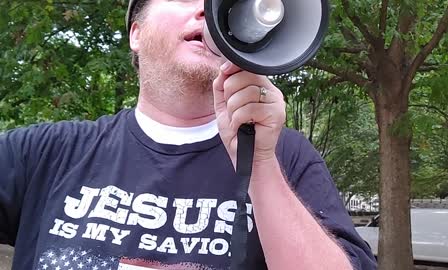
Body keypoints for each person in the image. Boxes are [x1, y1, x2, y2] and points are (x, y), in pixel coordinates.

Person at [0, 0, 377, 269]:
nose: (205, 10)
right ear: (135, 32)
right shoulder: (45, 152)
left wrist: (260, 165)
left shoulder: (285, 154)